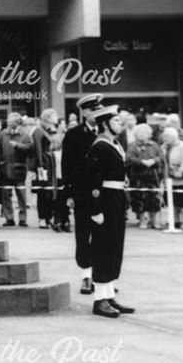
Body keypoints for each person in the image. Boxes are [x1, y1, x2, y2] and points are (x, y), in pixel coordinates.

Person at [83, 103, 135, 318]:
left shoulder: (114, 144)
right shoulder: (100, 146)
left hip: (116, 200)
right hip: (105, 201)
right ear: (104, 124)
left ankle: (109, 294)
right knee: (104, 250)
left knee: (114, 249)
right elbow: (92, 181)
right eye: (115, 121)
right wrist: (96, 210)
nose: (119, 124)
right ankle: (99, 300)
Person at [61, 94, 103, 294]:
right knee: (83, 234)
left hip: (104, 193)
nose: (97, 113)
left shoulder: (106, 132)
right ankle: (86, 275)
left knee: (103, 236)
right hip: (82, 192)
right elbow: (67, 166)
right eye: (93, 110)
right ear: (84, 113)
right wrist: (69, 193)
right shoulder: (74, 134)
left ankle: (103, 277)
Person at [0, 112, 32, 227]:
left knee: (21, 194)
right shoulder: (3, 134)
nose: (9, 124)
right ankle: (9, 218)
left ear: (17, 123)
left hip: (19, 169)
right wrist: (0, 161)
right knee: (6, 195)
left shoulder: (25, 135)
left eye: (11, 122)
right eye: (9, 122)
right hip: (5, 168)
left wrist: (18, 145)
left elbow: (30, 148)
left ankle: (23, 218)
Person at [126, 123, 164, 229]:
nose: (142, 135)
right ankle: (142, 220)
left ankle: (154, 221)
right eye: (139, 133)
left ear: (149, 134)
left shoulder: (154, 145)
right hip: (138, 177)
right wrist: (141, 162)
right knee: (139, 199)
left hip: (153, 177)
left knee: (154, 199)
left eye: (144, 133)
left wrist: (154, 161)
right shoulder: (132, 146)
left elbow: (161, 158)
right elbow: (128, 160)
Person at [30, 109, 61, 230]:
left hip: (54, 164)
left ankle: (49, 216)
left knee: (51, 192)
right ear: (47, 117)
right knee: (43, 192)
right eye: (54, 115)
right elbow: (38, 149)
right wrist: (40, 166)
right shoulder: (38, 131)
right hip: (44, 164)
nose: (56, 117)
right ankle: (42, 218)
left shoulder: (54, 130)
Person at [162, 127, 183, 229]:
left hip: (181, 178)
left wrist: (181, 171)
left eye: (166, 137)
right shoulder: (164, 147)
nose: (165, 139)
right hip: (169, 178)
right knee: (172, 201)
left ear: (173, 137)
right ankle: (174, 220)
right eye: (164, 137)